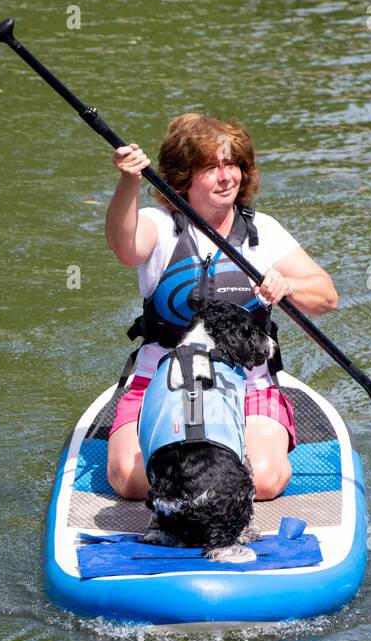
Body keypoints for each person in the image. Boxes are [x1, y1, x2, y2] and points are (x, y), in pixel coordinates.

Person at [104, 113, 338, 502]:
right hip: (162, 378)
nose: (226, 176)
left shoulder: (263, 231)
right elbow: (124, 247)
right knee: (129, 481)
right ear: (183, 177)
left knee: (262, 482)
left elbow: (326, 298)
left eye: (232, 165)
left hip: (247, 382)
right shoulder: (160, 225)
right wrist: (130, 180)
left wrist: (289, 285)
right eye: (211, 168)